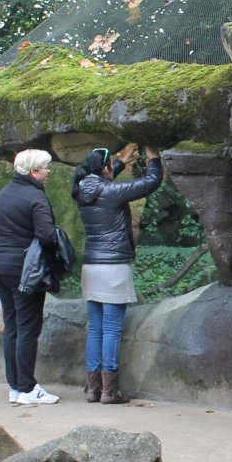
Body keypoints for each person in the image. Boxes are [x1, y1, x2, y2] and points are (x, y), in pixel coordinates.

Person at [73, 143, 163, 403]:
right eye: (110, 164)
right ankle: (109, 391)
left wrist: (121, 161)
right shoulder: (110, 192)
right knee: (112, 330)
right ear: (104, 169)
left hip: (91, 268)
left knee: (96, 330)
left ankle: (92, 389)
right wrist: (153, 158)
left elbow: (104, 176)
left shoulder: (81, 189)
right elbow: (151, 182)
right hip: (113, 268)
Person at [0, 148, 60, 405]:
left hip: (0, 266)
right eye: (44, 168)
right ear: (33, 172)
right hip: (25, 270)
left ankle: (15, 387)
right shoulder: (35, 197)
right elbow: (47, 235)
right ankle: (28, 388)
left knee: (12, 326)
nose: (48, 172)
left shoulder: (6, 194)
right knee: (28, 327)